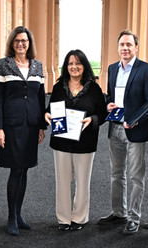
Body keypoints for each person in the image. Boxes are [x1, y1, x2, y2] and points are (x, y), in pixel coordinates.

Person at [98, 30, 148, 235]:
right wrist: (108, 105)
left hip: (135, 130)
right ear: (118, 47)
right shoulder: (113, 69)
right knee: (116, 174)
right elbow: (109, 95)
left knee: (135, 176)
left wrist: (134, 120)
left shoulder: (146, 70)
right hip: (114, 129)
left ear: (136, 47)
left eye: (129, 45)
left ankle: (134, 217)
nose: (125, 48)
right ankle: (118, 212)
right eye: (122, 44)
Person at [44, 50, 107, 231]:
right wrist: (47, 114)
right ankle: (63, 218)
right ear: (66, 66)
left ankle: (79, 218)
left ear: (84, 66)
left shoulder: (94, 88)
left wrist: (92, 120)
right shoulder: (58, 87)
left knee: (82, 181)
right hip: (61, 141)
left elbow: (102, 113)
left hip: (85, 142)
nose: (74, 67)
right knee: (62, 181)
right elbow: (50, 108)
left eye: (78, 63)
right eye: (70, 63)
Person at [0, 26, 46, 236]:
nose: (21, 44)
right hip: (11, 126)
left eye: (24, 40)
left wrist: (42, 126)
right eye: (17, 41)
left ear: (29, 43)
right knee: (16, 170)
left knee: (24, 170)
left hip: (31, 125)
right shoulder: (2, 65)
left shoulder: (37, 66)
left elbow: (41, 98)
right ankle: (11, 217)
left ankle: (20, 213)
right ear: (12, 43)